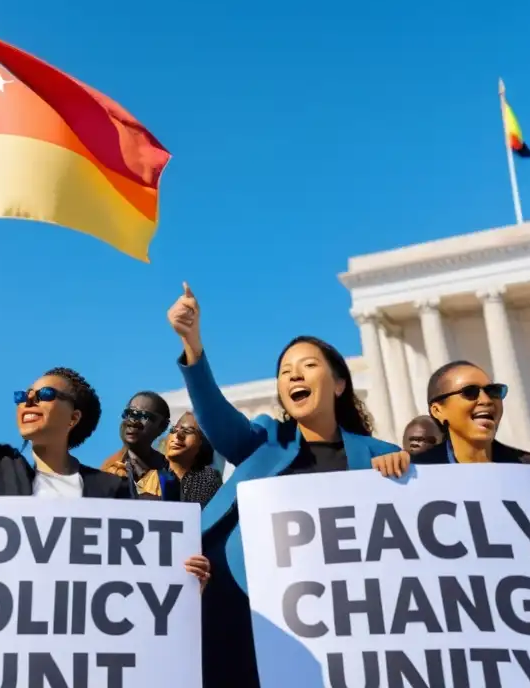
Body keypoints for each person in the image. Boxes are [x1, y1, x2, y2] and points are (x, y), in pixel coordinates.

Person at [0, 310, 210, 583]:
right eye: (23, 395)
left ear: (73, 418)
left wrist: (185, 580)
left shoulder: (112, 490)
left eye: (44, 395)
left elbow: (146, 568)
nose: (29, 400)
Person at [166, 283, 399, 688]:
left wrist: (401, 471)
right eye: (285, 371)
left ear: (340, 383)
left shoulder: (379, 455)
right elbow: (217, 418)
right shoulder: (264, 439)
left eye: (308, 365)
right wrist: (192, 343)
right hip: (242, 617)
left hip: (339, 629)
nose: (294, 374)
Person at [371, 360, 530, 476]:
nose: (486, 400)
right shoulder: (418, 468)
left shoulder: (523, 464)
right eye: (470, 392)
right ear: (438, 411)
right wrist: (385, 467)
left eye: (493, 391)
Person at [101, 391, 173, 497]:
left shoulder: (169, 469)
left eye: (144, 416)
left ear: (163, 426)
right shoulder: (110, 470)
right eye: (129, 414)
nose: (133, 422)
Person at [162, 411, 223, 507]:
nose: (178, 435)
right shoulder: (149, 471)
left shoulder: (207, 479)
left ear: (201, 442)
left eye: (187, 431)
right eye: (173, 430)